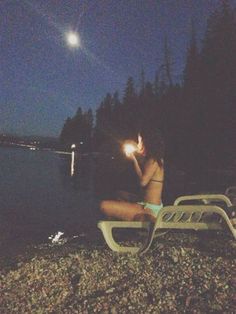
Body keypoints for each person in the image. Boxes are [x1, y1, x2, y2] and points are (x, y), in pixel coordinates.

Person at [100, 129, 165, 222]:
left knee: (103, 205)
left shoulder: (154, 160)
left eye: (139, 141)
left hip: (150, 210)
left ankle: (118, 228)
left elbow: (143, 182)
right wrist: (133, 151)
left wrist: (134, 160)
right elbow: (140, 161)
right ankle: (120, 227)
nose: (138, 144)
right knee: (119, 194)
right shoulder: (151, 159)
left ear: (146, 142)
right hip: (146, 204)